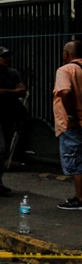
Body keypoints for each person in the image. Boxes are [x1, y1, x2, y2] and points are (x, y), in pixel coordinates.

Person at [0, 47, 26, 197]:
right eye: (3, 57)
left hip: (9, 116)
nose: (6, 59)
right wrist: (12, 92)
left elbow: (23, 90)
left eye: (7, 56)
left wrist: (5, 92)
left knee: (4, 151)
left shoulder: (13, 73)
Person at [52, 40, 82, 210]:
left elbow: (66, 92)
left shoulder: (65, 70)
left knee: (76, 162)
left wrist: (71, 116)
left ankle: (79, 198)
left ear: (66, 54)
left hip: (72, 124)